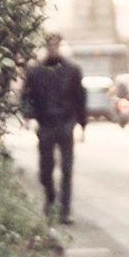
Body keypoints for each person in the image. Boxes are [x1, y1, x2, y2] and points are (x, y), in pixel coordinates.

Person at [20, 35, 85, 223]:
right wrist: (28, 114)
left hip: (65, 123)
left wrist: (82, 124)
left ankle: (65, 210)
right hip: (46, 124)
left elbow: (80, 98)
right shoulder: (36, 72)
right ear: (46, 47)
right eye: (50, 45)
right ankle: (50, 200)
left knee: (67, 169)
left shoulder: (72, 71)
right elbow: (26, 96)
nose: (53, 49)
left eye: (57, 45)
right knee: (45, 170)